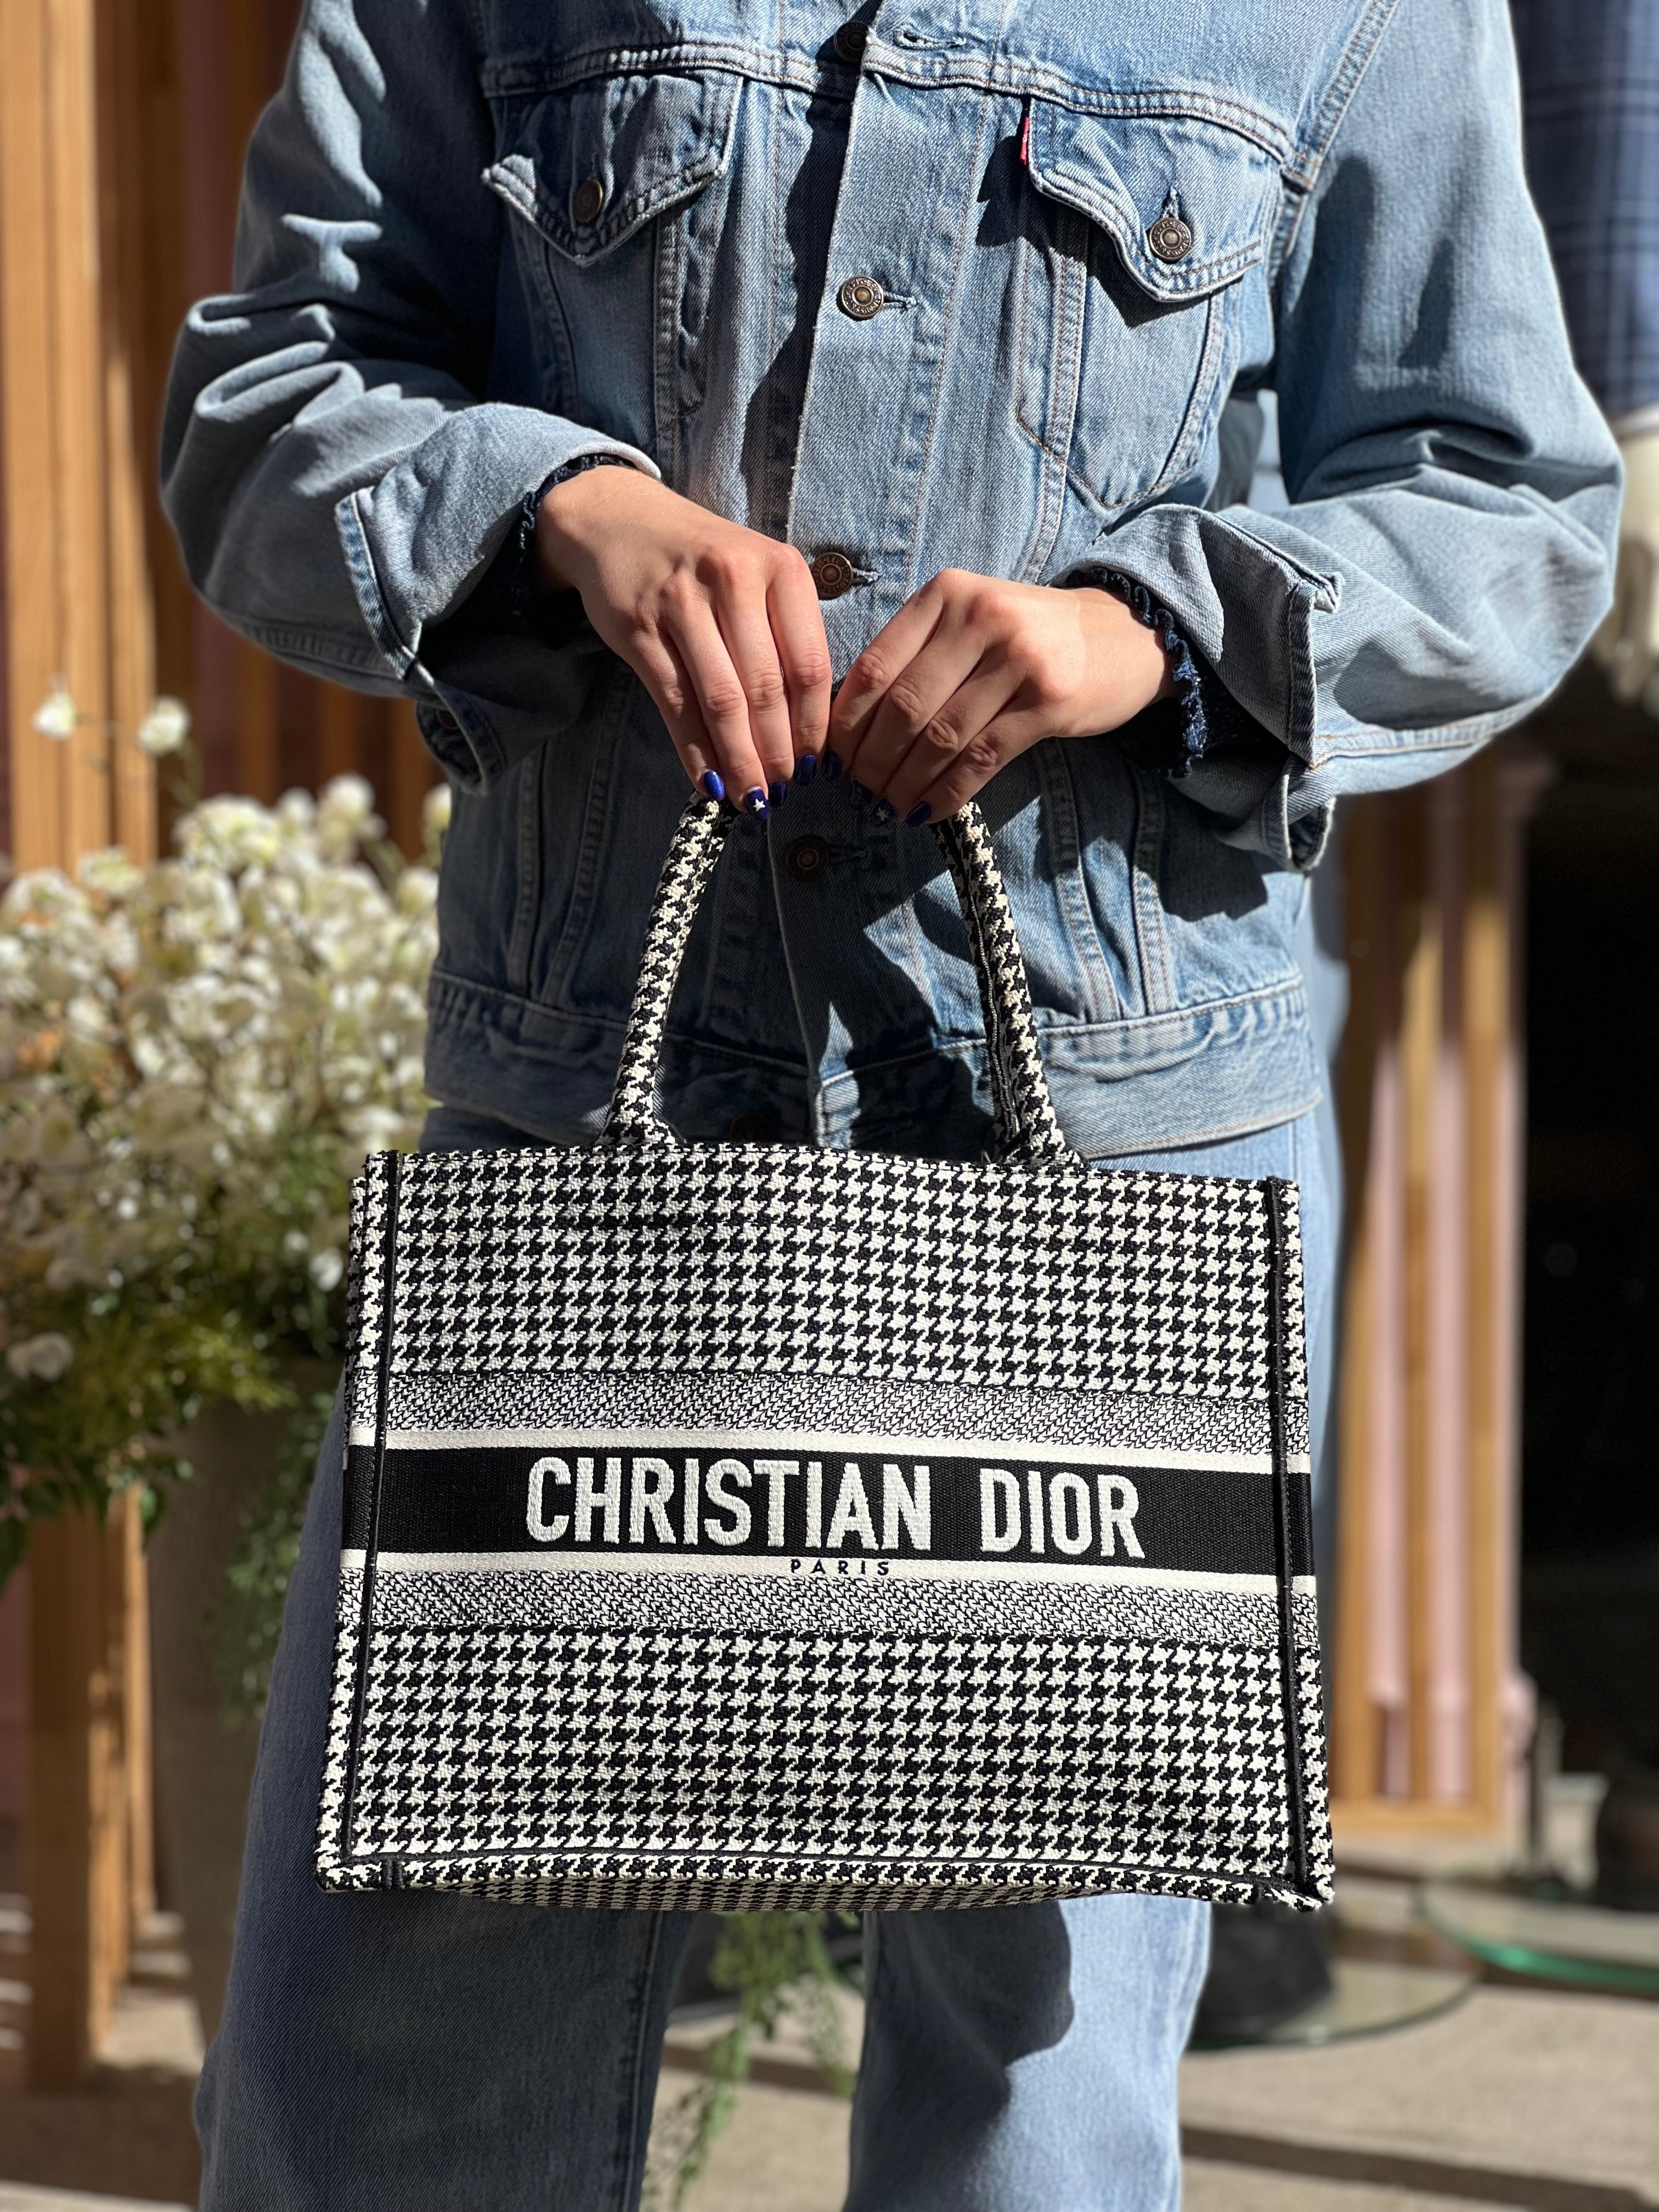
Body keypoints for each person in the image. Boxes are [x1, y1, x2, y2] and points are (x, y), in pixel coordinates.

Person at [161, 2, 1617, 2205]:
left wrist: (1151, 632)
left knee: (1033, 2103)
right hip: (597, 1118)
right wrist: (565, 512)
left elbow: (1509, 501)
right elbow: (268, 395)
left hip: (1113, 1154)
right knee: (386, 2066)